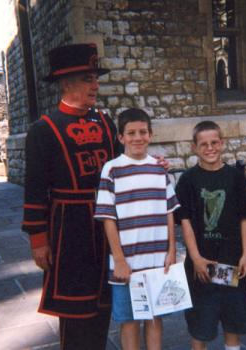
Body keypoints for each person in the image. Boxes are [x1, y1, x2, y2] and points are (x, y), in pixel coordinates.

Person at [21, 43, 120, 350]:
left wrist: (151, 167)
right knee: (75, 308)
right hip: (69, 228)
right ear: (66, 83)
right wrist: (39, 239)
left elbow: (121, 168)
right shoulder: (44, 129)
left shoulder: (105, 122)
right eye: (88, 78)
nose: (96, 84)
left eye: (95, 78)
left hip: (105, 225)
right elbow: (35, 187)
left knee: (104, 304)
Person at [94, 108, 179, 350]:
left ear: (151, 135)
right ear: (120, 138)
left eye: (143, 132)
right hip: (126, 264)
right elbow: (107, 217)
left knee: (154, 317)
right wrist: (119, 259)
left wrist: (171, 250)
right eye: (131, 133)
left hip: (156, 260)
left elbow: (169, 212)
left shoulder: (159, 169)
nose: (137, 137)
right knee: (129, 321)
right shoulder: (112, 169)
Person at [175, 121, 246, 350]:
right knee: (201, 326)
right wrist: (196, 257)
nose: (210, 148)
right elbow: (186, 222)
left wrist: (245, 256)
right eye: (204, 144)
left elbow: (244, 219)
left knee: (233, 323)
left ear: (222, 143)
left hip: (231, 262)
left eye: (214, 143)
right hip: (202, 266)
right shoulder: (188, 180)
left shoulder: (235, 177)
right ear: (194, 147)